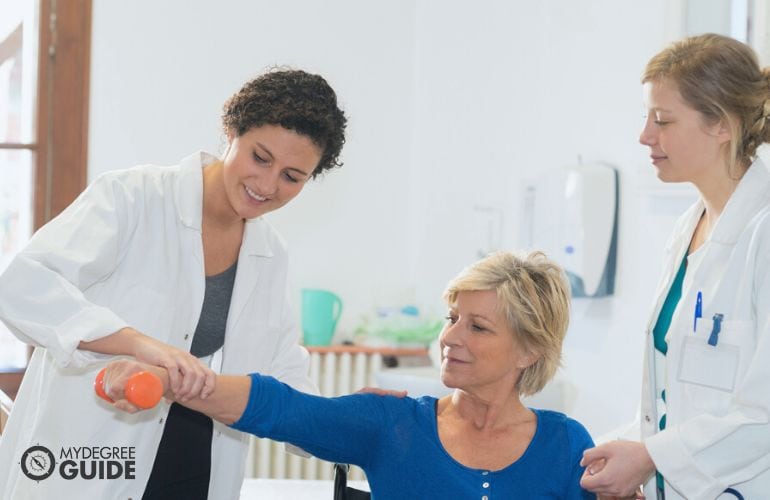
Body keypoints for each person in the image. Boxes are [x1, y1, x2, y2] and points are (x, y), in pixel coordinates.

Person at [0, 68, 347, 499]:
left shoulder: (270, 254)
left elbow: (284, 374)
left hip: (195, 460)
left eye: (292, 177)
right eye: (260, 157)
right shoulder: (133, 198)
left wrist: (350, 421)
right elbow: (22, 286)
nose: (267, 184)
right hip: (90, 456)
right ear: (232, 131)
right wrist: (141, 345)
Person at [103, 250, 597, 499]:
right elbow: (278, 407)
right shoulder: (392, 423)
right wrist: (174, 379)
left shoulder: (566, 444)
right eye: (452, 319)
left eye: (479, 327)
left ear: (529, 351)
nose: (450, 338)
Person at [580, 34, 770, 499]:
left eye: (662, 120)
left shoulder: (763, 234)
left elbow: (763, 415)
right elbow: (678, 404)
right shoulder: (688, 229)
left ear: (721, 125)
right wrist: (618, 453)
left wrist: (650, 458)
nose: (645, 135)